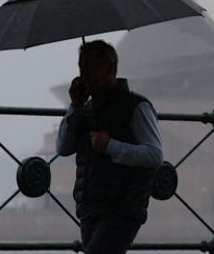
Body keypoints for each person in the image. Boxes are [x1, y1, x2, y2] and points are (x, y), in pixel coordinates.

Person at [56, 40, 163, 254]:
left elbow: (154, 154)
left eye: (91, 67)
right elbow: (63, 147)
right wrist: (75, 106)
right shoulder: (85, 110)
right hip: (90, 209)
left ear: (110, 68)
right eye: (81, 67)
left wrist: (110, 146)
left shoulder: (136, 106)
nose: (85, 74)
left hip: (122, 208)